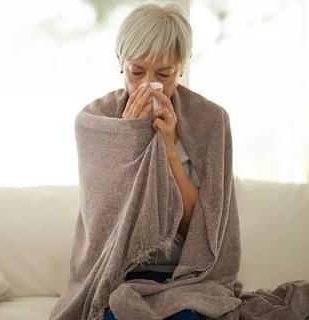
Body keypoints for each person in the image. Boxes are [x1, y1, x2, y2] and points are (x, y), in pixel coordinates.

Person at [103, 1, 206, 319]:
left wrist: (170, 150)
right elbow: (104, 223)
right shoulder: (96, 121)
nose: (148, 84)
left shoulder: (209, 123)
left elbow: (202, 227)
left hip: (187, 278)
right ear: (120, 61)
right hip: (119, 276)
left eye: (164, 73)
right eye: (137, 71)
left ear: (182, 68)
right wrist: (129, 141)